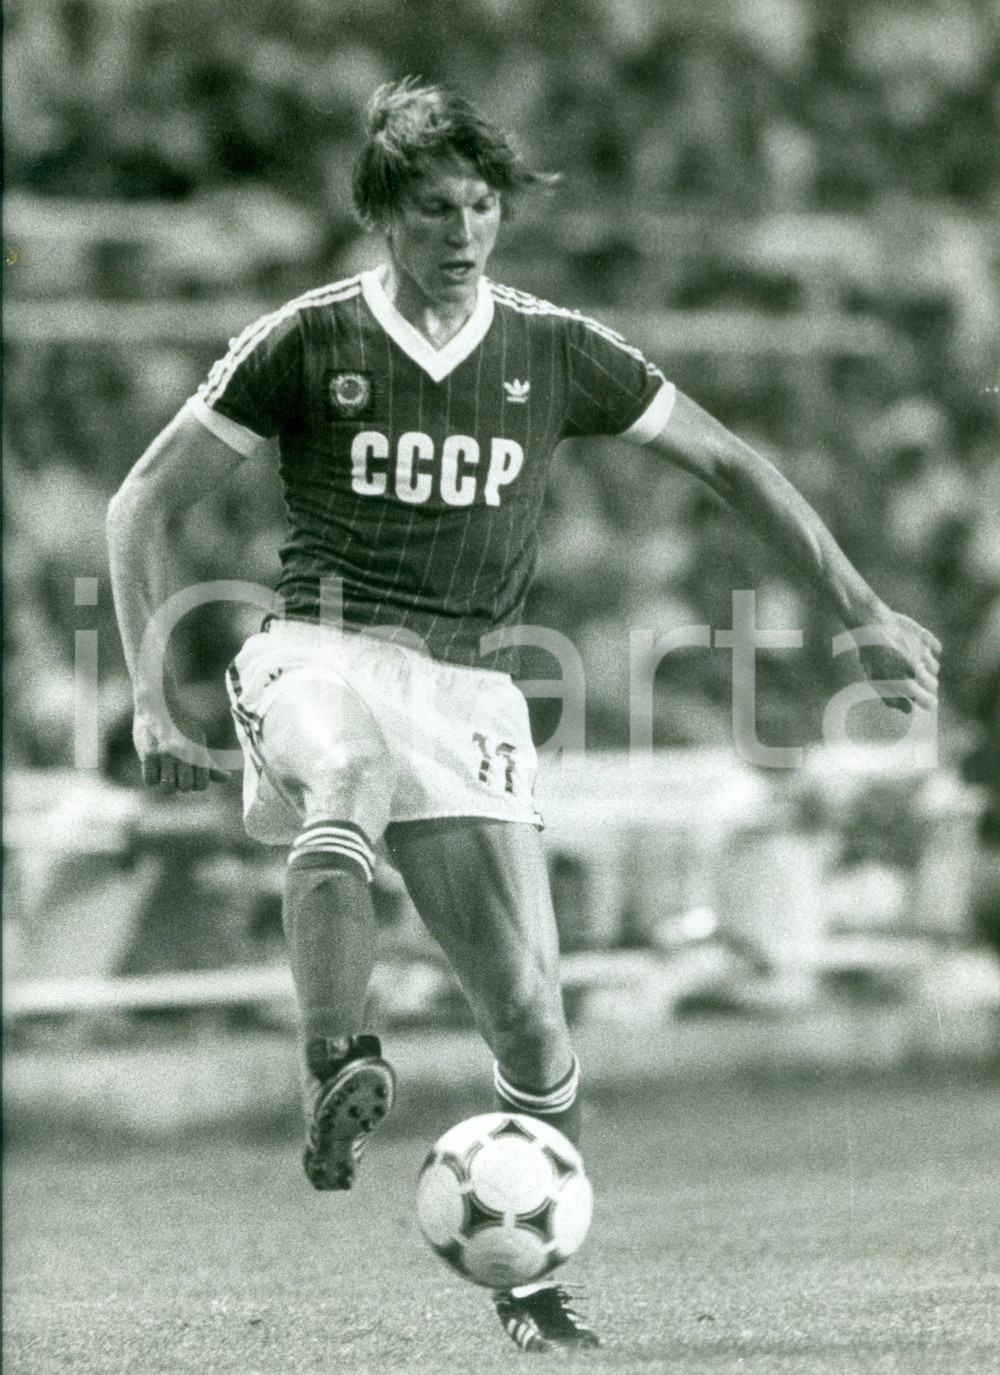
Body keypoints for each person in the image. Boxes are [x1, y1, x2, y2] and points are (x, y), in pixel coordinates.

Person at [107, 79, 941, 1353]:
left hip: (467, 683)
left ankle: (531, 1285)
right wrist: (153, 703)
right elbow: (138, 505)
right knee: (348, 772)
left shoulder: (552, 349)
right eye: (435, 205)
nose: (464, 228)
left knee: (535, 1016)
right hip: (317, 646)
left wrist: (858, 606)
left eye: (483, 204)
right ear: (384, 216)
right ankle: (339, 1056)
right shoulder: (305, 337)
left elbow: (727, 460)